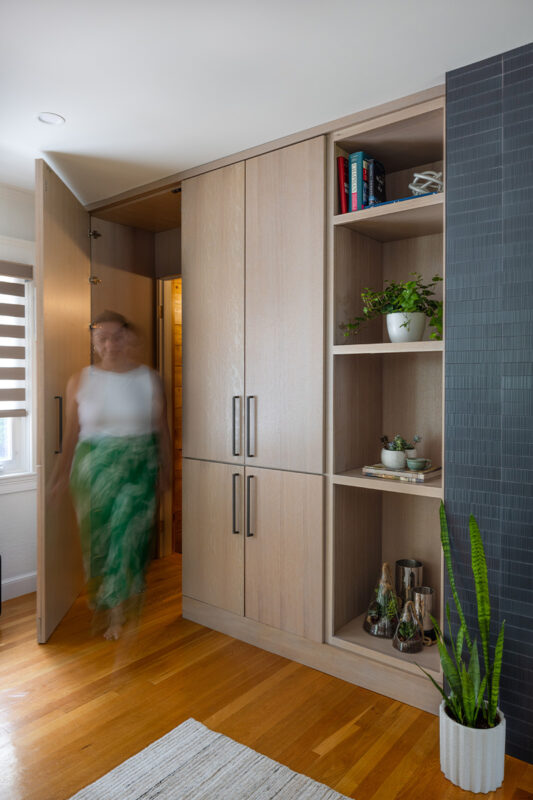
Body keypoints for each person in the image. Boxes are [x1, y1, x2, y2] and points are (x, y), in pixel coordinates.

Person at [50, 310, 171, 640]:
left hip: (138, 466)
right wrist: (59, 476)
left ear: (129, 338)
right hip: (92, 469)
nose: (110, 343)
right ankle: (105, 602)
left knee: (128, 538)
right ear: (94, 342)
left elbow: (161, 428)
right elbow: (71, 434)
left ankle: (119, 613)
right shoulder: (80, 379)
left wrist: (166, 470)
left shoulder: (149, 378)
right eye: (101, 337)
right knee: (99, 542)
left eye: (117, 336)